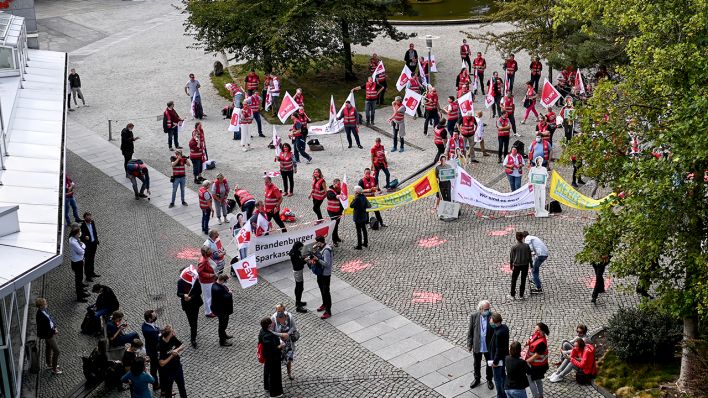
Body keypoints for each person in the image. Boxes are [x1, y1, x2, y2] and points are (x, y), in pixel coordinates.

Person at [467, 300, 494, 390]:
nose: (488, 311)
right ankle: (477, 378)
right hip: (478, 345)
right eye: (486, 309)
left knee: (489, 363)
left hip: (488, 345)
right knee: (476, 363)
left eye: (489, 309)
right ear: (481, 309)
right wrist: (469, 344)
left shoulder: (492, 316)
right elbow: (470, 332)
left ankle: (489, 379)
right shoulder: (474, 316)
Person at [271, 304, 299, 380]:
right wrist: (281, 334)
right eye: (278, 311)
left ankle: (289, 373)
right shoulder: (273, 318)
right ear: (276, 310)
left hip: (288, 342)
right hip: (279, 342)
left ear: (284, 310)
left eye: (281, 310)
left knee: (289, 358)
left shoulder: (289, 316)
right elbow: (271, 332)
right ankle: (277, 376)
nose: (280, 312)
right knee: (278, 359)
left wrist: (288, 334)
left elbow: (293, 327)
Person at [158, 325, 187, 397]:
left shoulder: (173, 338)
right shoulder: (160, 346)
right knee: (168, 391)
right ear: (169, 334)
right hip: (168, 372)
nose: (174, 332)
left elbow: (182, 345)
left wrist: (176, 350)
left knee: (182, 387)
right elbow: (161, 363)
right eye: (172, 331)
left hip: (178, 367)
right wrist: (172, 355)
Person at [177, 269, 202, 348]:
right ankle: (193, 330)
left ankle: (193, 339)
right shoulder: (180, 282)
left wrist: (191, 297)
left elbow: (199, 292)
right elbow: (178, 293)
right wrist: (184, 295)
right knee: (191, 321)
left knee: (194, 321)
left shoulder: (195, 281)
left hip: (195, 303)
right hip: (186, 305)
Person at [259, 317, 284, 398]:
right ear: (269, 325)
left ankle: (267, 387)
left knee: (267, 371)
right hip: (273, 358)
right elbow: (273, 349)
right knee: (274, 375)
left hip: (267, 356)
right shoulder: (268, 336)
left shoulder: (262, 331)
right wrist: (281, 345)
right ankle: (275, 393)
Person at [36, 298, 62, 375]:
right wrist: (54, 330)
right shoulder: (40, 316)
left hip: (49, 333)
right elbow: (45, 329)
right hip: (48, 335)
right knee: (57, 351)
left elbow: (50, 318)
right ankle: (54, 369)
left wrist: (55, 326)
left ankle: (49, 364)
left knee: (48, 347)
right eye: (45, 304)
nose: (46, 304)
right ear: (41, 306)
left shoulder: (44, 311)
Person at [524, 323, 549, 397]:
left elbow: (536, 356)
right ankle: (540, 396)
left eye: (537, 330)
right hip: (534, 364)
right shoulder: (536, 335)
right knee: (538, 380)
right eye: (535, 329)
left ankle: (536, 396)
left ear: (542, 331)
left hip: (537, 366)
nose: (535, 331)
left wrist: (525, 362)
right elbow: (530, 339)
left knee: (531, 380)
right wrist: (527, 342)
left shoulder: (542, 343)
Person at [310, 236, 333, 319]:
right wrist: (314, 250)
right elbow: (314, 255)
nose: (315, 244)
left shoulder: (326, 250)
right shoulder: (320, 248)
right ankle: (324, 304)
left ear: (320, 242)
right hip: (320, 273)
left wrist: (317, 259)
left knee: (326, 292)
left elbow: (327, 264)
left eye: (316, 242)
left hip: (325, 274)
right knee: (322, 289)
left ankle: (328, 311)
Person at [490, 312, 510, 398]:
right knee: (503, 375)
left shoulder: (498, 333)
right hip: (504, 356)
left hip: (498, 359)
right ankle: (505, 392)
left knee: (497, 379)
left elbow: (498, 349)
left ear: (496, 322)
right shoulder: (504, 327)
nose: (490, 322)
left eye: (491, 321)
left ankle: (501, 395)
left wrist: (495, 361)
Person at [211, 274, 234, 347]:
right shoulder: (218, 289)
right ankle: (222, 341)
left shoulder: (215, 284)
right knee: (222, 325)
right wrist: (230, 293)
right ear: (221, 280)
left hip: (222, 309)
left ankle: (224, 335)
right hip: (221, 310)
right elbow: (226, 298)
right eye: (224, 281)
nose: (225, 283)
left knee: (224, 324)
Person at [509, 232, 533, 300]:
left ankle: (512, 295)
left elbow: (511, 258)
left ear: (516, 238)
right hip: (525, 265)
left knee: (514, 280)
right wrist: (531, 265)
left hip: (517, 265)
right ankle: (521, 295)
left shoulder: (514, 247)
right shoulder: (526, 246)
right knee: (523, 280)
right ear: (523, 238)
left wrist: (511, 266)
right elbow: (529, 256)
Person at [141, 310, 160, 391]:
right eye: (154, 316)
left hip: (150, 348)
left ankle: (155, 384)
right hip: (153, 351)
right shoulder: (150, 331)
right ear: (149, 319)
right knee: (154, 368)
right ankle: (156, 385)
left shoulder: (145, 324)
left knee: (154, 368)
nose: (155, 316)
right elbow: (158, 339)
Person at [68, 225, 89, 302]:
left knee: (80, 278)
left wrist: (82, 246)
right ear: (76, 233)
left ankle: (81, 291)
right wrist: (83, 247)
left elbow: (81, 246)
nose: (80, 233)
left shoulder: (75, 239)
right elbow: (81, 251)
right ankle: (80, 296)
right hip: (77, 262)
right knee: (78, 279)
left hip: (78, 261)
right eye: (79, 232)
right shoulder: (73, 242)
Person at [80, 212, 100, 281]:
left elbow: (95, 232)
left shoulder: (92, 222)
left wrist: (96, 240)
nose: (90, 219)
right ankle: (88, 276)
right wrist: (84, 237)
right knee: (87, 261)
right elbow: (80, 236)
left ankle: (92, 272)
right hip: (88, 246)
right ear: (85, 218)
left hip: (94, 244)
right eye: (88, 218)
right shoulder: (82, 225)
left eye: (90, 217)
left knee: (92, 259)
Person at [288, 242, 308, 313]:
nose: (301, 249)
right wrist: (306, 260)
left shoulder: (295, 252)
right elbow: (299, 262)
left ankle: (298, 302)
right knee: (300, 287)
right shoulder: (295, 254)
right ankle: (298, 305)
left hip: (298, 270)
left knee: (298, 286)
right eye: (300, 248)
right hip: (298, 271)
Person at [197, 245, 216, 317]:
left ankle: (210, 309)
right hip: (206, 281)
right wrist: (209, 275)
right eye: (209, 251)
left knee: (210, 295)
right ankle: (208, 312)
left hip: (209, 280)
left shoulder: (205, 258)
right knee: (207, 297)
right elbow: (200, 272)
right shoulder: (203, 261)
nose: (210, 252)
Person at [350, 186, 371, 250]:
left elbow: (351, 205)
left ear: (356, 192)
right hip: (363, 215)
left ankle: (359, 245)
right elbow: (368, 205)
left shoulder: (357, 198)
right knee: (364, 229)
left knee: (358, 231)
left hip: (358, 217)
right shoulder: (364, 197)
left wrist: (354, 198)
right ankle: (365, 242)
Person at [326, 179, 344, 247]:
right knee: (334, 225)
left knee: (337, 224)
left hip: (338, 211)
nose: (339, 185)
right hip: (332, 211)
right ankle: (334, 240)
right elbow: (330, 196)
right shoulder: (330, 191)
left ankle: (336, 237)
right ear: (334, 184)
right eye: (338, 184)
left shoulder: (340, 190)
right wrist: (337, 196)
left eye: (340, 184)